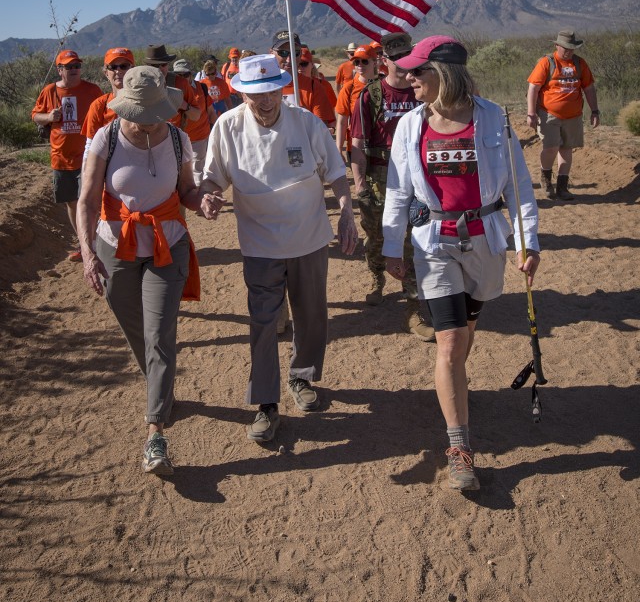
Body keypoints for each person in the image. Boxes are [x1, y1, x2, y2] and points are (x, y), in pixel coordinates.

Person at [382, 35, 540, 491]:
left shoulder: (494, 119)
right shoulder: (410, 126)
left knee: (466, 333)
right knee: (449, 341)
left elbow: (519, 187)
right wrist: (393, 245)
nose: (408, 78)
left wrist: (528, 244)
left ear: (444, 74)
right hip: (434, 242)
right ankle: (460, 447)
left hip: (485, 242)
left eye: (418, 71)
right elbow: (398, 190)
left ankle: (456, 388)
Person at [200, 54, 358, 444]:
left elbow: (336, 171)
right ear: (241, 93)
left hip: (308, 238)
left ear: (281, 88)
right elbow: (211, 179)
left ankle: (302, 377)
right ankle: (266, 403)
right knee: (263, 322)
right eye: (256, 93)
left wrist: (347, 213)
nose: (265, 100)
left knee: (312, 315)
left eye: (271, 91)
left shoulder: (304, 123)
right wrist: (208, 197)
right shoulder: (227, 127)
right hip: (259, 244)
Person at [77, 66, 204, 477]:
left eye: (154, 112)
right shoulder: (106, 138)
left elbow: (186, 191)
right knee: (134, 325)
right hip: (115, 246)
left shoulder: (179, 139)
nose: (148, 120)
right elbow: (87, 199)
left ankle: (155, 435)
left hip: (168, 245)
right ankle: (161, 388)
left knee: (160, 334)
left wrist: (203, 201)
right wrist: (87, 253)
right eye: (140, 112)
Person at [350, 33, 432, 341]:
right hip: (381, 178)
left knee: (413, 240)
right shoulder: (371, 95)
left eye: (406, 55)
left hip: (418, 178)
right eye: (395, 57)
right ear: (384, 60)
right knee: (377, 234)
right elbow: (357, 144)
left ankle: (414, 309)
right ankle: (376, 275)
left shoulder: (423, 90)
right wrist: (360, 185)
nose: (401, 62)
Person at [32, 49, 102, 260]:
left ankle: (97, 244)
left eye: (77, 66)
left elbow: (105, 113)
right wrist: (48, 116)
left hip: (88, 158)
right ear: (59, 70)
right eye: (69, 67)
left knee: (89, 202)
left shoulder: (92, 90)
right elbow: (35, 115)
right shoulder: (49, 91)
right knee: (71, 203)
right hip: (60, 158)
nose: (74, 70)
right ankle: (84, 244)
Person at [526, 29, 599, 201]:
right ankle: (545, 178)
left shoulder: (580, 64)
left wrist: (595, 111)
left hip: (573, 115)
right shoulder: (547, 63)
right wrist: (531, 113)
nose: (568, 51)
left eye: (572, 48)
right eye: (565, 47)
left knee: (566, 148)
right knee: (551, 147)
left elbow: (589, 88)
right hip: (548, 114)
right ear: (557, 45)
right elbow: (533, 88)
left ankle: (562, 187)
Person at [271, 30, 335, 127]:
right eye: (283, 52)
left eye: (295, 53)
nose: (289, 59)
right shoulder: (263, 87)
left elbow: (320, 130)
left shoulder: (314, 87)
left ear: (300, 54)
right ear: (271, 53)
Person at [81, 48, 135, 158]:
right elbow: (90, 146)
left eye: (124, 66)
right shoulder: (99, 106)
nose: (118, 71)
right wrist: (86, 173)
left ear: (133, 70)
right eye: (113, 67)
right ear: (106, 73)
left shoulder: (145, 101)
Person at [172, 58, 216, 184]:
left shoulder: (201, 87)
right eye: (178, 75)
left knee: (197, 171)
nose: (181, 78)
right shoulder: (169, 91)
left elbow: (211, 111)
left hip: (199, 137)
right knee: (177, 172)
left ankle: (197, 200)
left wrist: (216, 132)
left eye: (184, 75)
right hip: (177, 139)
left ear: (190, 74)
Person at [335, 44, 377, 164]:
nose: (360, 65)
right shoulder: (349, 88)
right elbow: (342, 122)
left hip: (381, 147)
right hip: (356, 147)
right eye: (356, 62)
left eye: (364, 61)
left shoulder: (382, 86)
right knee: (360, 182)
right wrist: (338, 148)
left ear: (374, 62)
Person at [143, 44, 201, 129]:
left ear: (168, 65)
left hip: (173, 137)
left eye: (163, 65)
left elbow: (196, 116)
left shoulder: (180, 83)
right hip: (146, 137)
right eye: (155, 66)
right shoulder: (140, 84)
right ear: (147, 67)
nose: (160, 69)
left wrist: (183, 105)